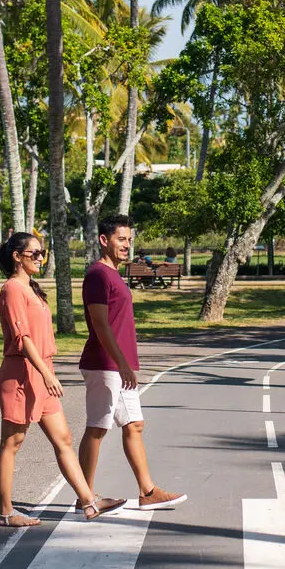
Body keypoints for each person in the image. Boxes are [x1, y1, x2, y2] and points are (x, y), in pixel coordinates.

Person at [0, 231, 127, 527]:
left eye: (42, 252)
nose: (40, 258)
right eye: (34, 253)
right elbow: (23, 337)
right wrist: (45, 373)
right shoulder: (13, 289)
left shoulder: (31, 289)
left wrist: (47, 373)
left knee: (64, 439)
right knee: (12, 442)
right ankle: (6, 512)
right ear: (17, 257)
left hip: (43, 372)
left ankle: (89, 502)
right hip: (21, 374)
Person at [77, 215, 187, 511]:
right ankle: (85, 497)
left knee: (135, 425)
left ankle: (148, 491)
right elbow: (100, 325)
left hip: (117, 364)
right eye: (120, 239)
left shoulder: (113, 274)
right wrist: (122, 363)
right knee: (97, 429)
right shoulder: (98, 275)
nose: (127, 245)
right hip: (105, 363)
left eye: (129, 240)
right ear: (104, 240)